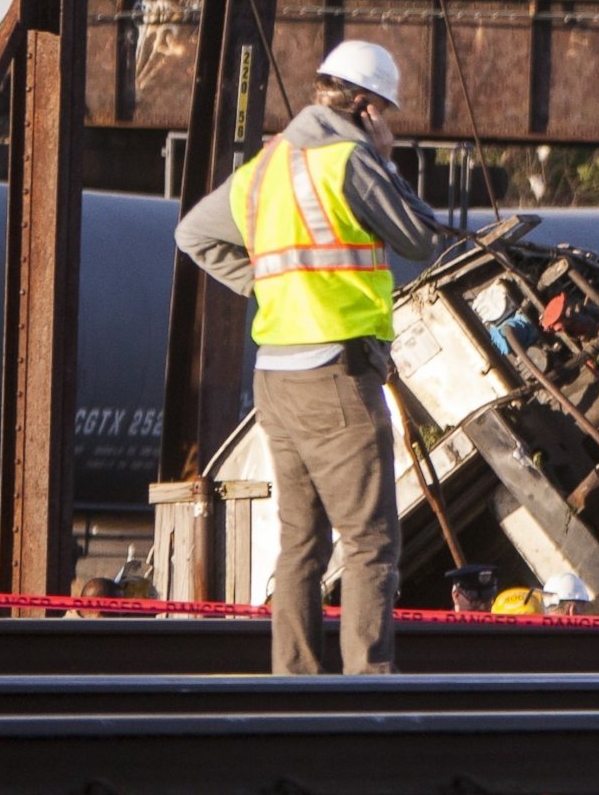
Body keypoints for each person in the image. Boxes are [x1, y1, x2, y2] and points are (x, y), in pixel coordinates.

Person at [174, 40, 446, 675]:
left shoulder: (270, 163)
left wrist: (270, 282)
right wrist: (384, 160)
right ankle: (367, 694)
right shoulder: (349, 158)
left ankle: (293, 688)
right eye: (387, 115)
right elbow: (421, 238)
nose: (390, 127)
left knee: (300, 544)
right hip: (336, 374)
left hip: (276, 376)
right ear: (365, 106)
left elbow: (193, 233)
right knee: (370, 540)